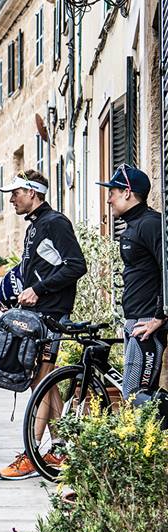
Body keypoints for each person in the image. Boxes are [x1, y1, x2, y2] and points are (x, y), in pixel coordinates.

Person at [0, 170, 87, 480]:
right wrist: (13, 296)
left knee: (42, 380)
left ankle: (32, 453)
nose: (11, 199)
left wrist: (38, 289)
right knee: (43, 381)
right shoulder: (35, 225)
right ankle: (60, 450)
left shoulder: (54, 223)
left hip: (52, 314)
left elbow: (76, 265)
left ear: (32, 193)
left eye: (16, 193)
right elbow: (38, 268)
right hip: (39, 314)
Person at [97, 165, 167, 404]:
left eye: (112, 193)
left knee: (137, 396)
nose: (108, 200)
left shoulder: (151, 224)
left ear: (127, 192)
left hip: (147, 322)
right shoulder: (133, 226)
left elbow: (167, 270)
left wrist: (159, 317)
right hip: (134, 320)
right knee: (135, 398)